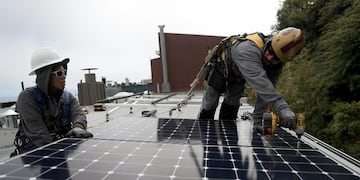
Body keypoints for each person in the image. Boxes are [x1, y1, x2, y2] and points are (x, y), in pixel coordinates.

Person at [198, 27, 305, 131]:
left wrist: (257, 120)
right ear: (269, 43)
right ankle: (205, 134)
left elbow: (267, 91)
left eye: (276, 58)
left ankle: (227, 138)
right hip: (220, 68)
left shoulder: (276, 65)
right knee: (210, 103)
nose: (270, 58)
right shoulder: (247, 49)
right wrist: (282, 108)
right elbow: (261, 84)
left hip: (238, 76)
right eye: (271, 51)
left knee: (232, 103)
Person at [11, 48, 93, 156]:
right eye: (59, 73)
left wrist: (78, 127)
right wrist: (59, 158)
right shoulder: (27, 98)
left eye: (64, 72)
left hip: (60, 156)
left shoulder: (68, 98)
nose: (64, 77)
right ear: (45, 75)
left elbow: (78, 114)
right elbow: (40, 135)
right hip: (35, 160)